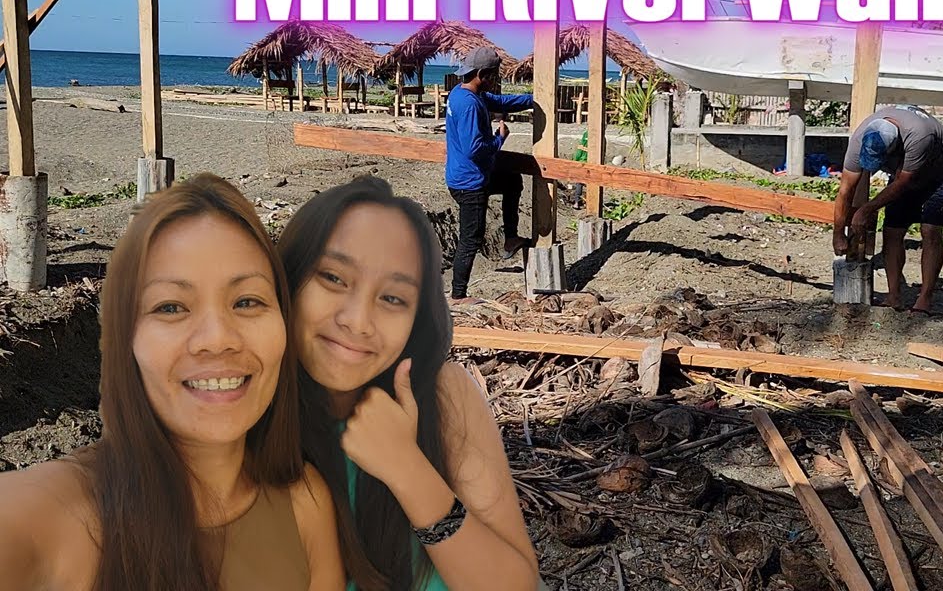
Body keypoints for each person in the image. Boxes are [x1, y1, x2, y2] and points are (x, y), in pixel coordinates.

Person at [0, 173, 345, 591]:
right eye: (171, 307)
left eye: (247, 301)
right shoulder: (66, 517)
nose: (217, 339)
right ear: (126, 342)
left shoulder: (304, 503)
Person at [277, 175, 542, 591]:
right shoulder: (246, 416)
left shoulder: (443, 394)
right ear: (289, 280)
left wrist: (408, 470)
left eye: (393, 298)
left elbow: (517, 585)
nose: (358, 321)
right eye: (333, 278)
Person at [833, 105, 943, 314]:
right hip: (905, 173)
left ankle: (925, 299)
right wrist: (838, 233)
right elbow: (845, 190)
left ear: (894, 148)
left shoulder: (918, 136)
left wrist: (866, 210)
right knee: (892, 231)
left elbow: (902, 184)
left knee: (929, 229)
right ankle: (894, 296)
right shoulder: (859, 139)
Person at [444, 47, 535, 303]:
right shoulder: (470, 105)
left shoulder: (465, 94)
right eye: (494, 75)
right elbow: (475, 150)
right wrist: (499, 139)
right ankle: (458, 294)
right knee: (471, 238)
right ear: (483, 74)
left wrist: (533, 99)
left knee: (511, 180)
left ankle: (510, 238)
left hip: (467, 175)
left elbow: (500, 103)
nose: (496, 80)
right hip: (469, 182)